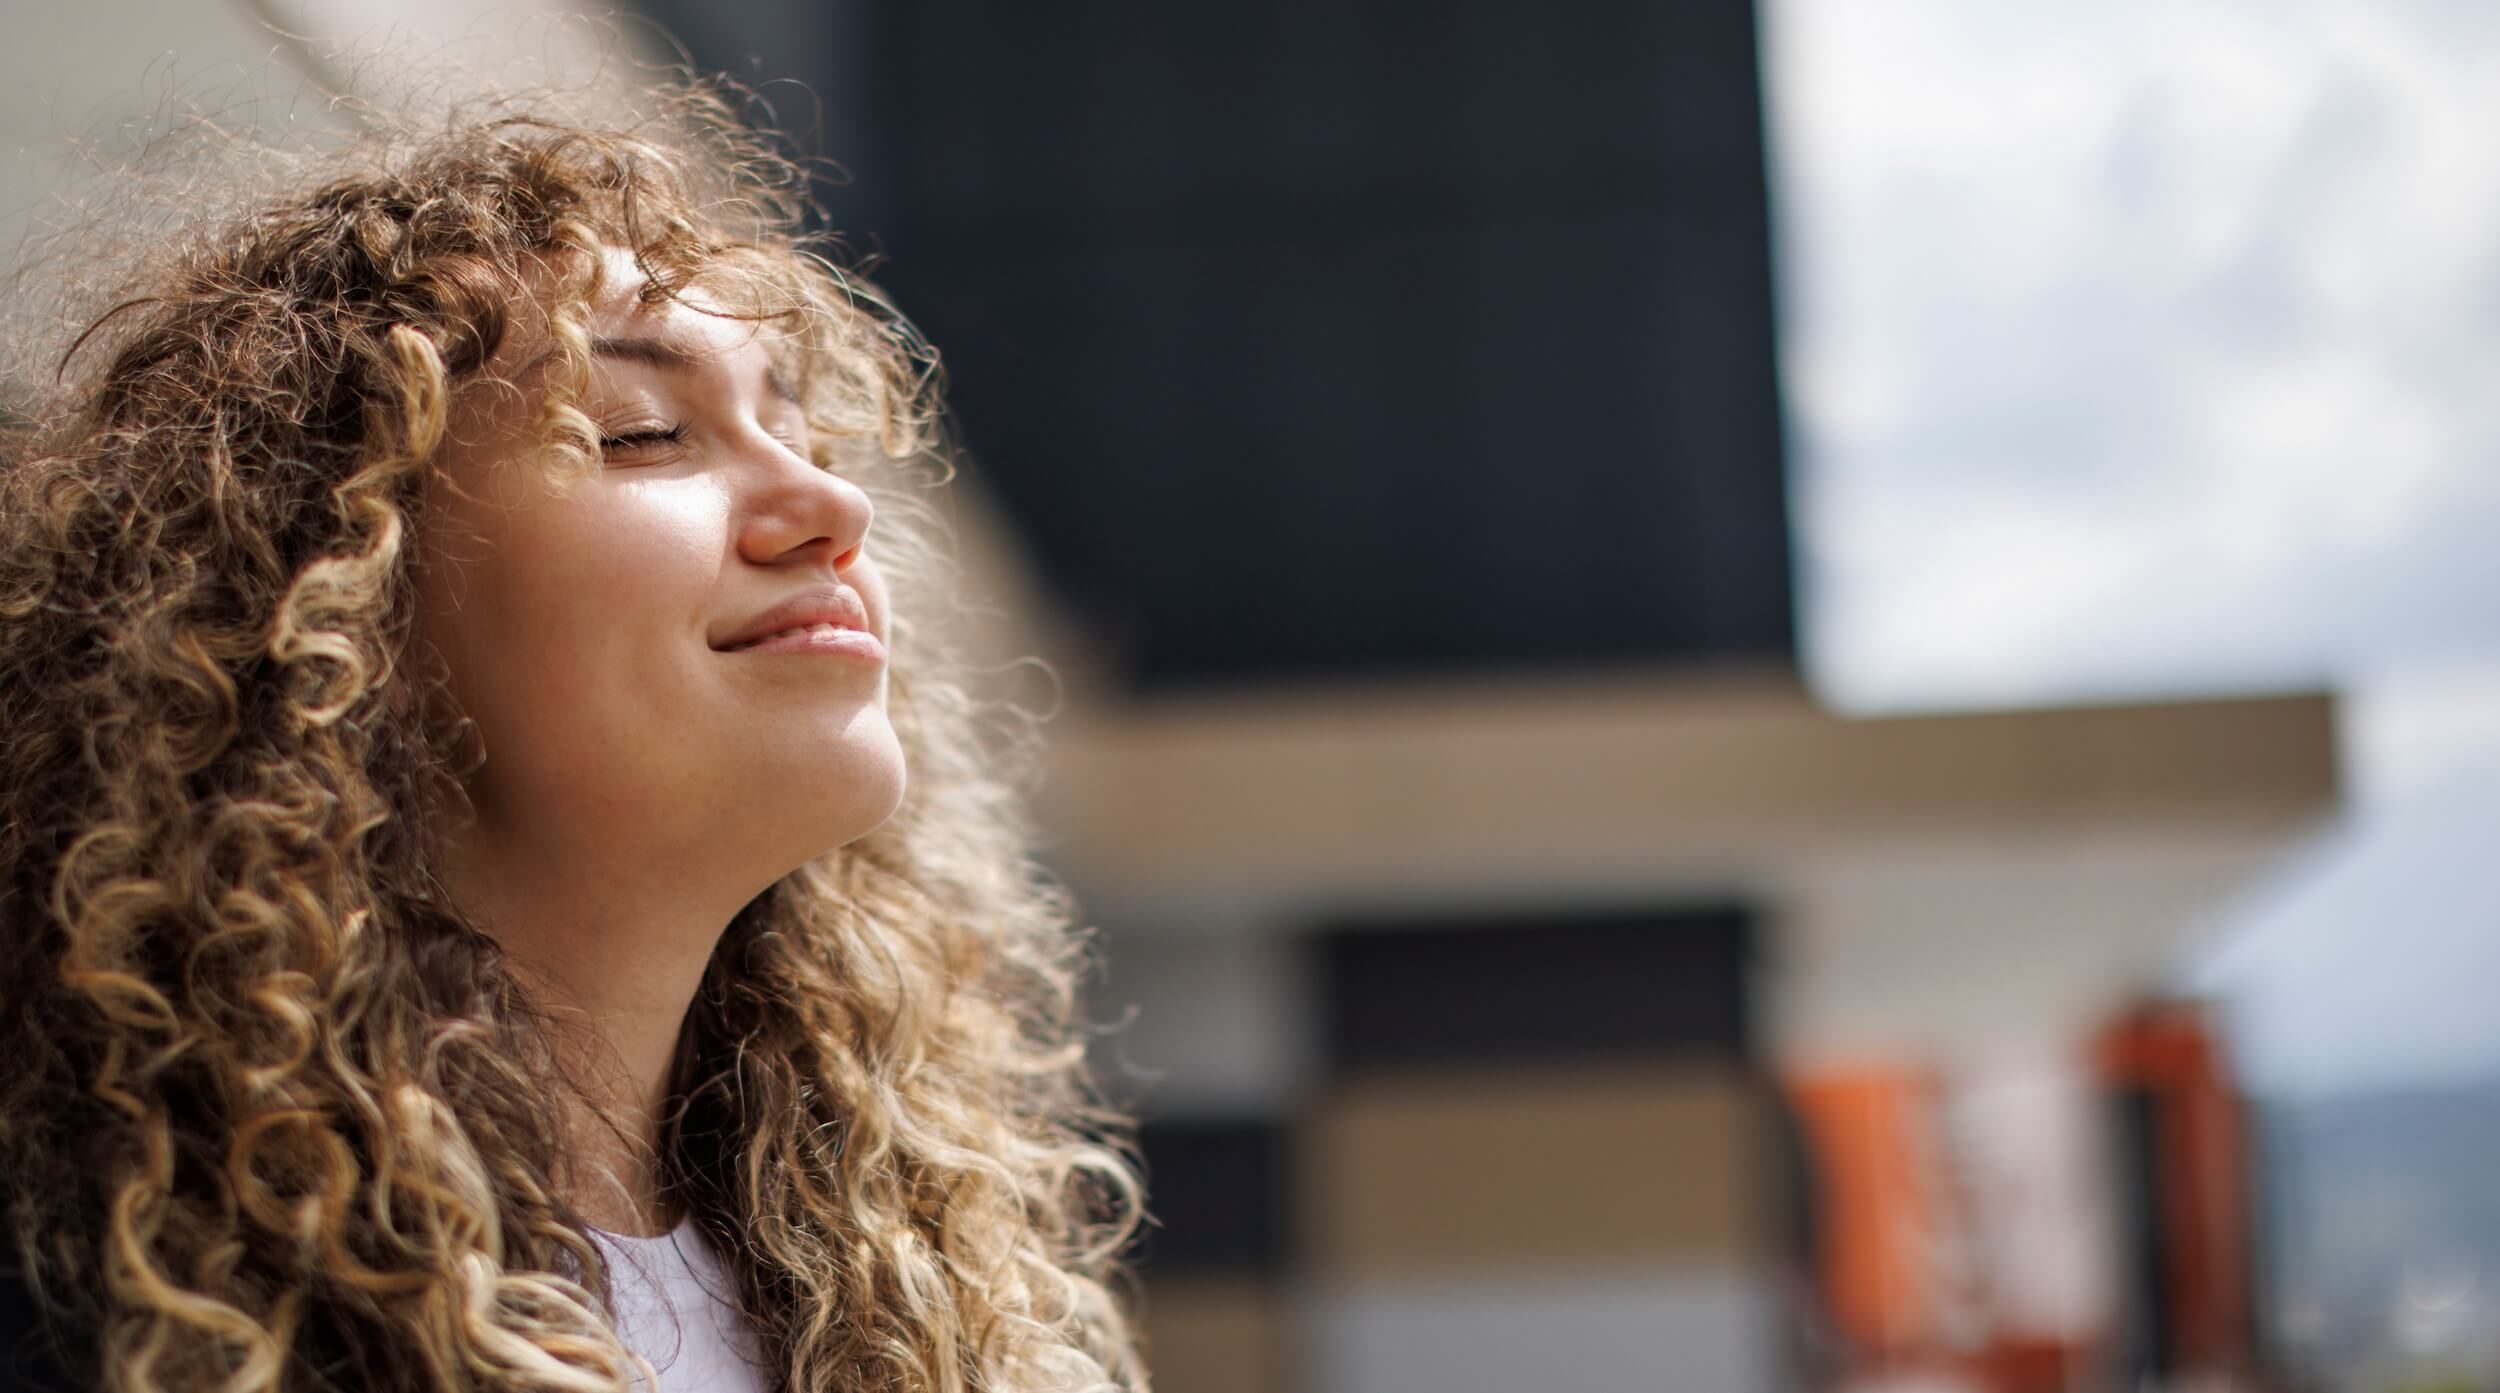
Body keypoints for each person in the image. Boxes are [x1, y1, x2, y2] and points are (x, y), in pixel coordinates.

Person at [0, 76, 1144, 1393]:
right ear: (340, 601)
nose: (831, 501)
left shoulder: (911, 1297)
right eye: (643, 433)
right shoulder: (101, 1308)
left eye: (798, 427)